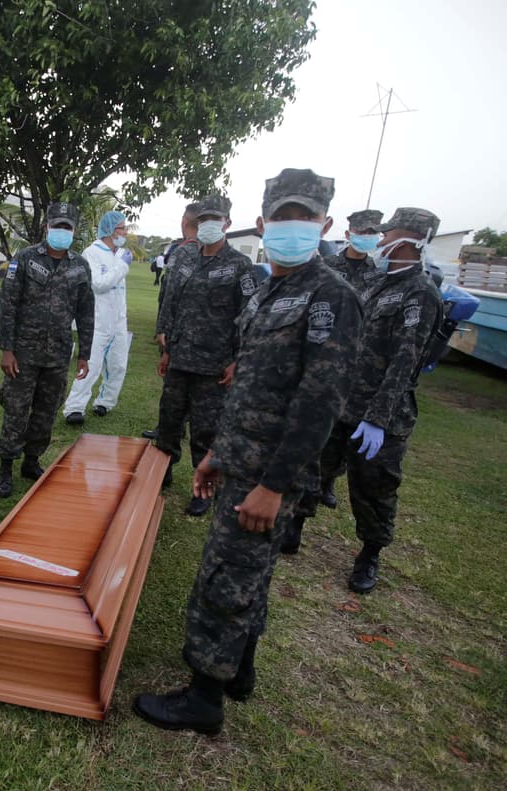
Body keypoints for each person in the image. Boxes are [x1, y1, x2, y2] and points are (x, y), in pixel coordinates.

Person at [133, 168, 362, 735]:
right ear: (262, 223)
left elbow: (318, 405)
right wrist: (218, 455)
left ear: (324, 224)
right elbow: (252, 388)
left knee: (224, 578)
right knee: (249, 575)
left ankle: (203, 698)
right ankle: (239, 672)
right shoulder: (272, 290)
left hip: (269, 474)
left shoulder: (330, 296)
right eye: (281, 216)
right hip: (243, 461)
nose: (291, 226)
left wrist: (274, 484)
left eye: (304, 218)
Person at [287, 208, 445, 594]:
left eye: (390, 234)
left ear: (412, 240)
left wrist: (377, 417)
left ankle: (369, 552)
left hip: (380, 414)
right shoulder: (377, 282)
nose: (382, 240)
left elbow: (405, 361)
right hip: (341, 401)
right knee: (314, 467)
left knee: (374, 487)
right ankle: (293, 528)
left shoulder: (420, 293)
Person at [153, 194, 258, 516]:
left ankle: (203, 489)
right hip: (180, 357)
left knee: (205, 430)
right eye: (203, 220)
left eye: (215, 219)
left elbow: (249, 317)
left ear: (227, 223)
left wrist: (237, 360)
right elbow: (169, 299)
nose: (208, 225)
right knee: (168, 422)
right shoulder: (183, 256)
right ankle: (162, 472)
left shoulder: (240, 266)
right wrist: (164, 342)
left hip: (214, 364)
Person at [0, 201, 95, 498]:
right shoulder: (24, 259)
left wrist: (84, 353)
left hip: (58, 354)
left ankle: (32, 461)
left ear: (74, 231)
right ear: (47, 226)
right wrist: (7, 349)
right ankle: (6, 467)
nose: (61, 231)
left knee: (46, 411)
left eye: (67, 227)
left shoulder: (80, 266)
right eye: (57, 225)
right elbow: (7, 304)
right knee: (16, 409)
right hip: (23, 353)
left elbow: (86, 312)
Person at [311, 209, 382, 509]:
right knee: (320, 424)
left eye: (372, 232)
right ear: (349, 231)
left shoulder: (378, 275)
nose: (366, 236)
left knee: (347, 424)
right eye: (361, 230)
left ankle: (328, 482)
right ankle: (312, 481)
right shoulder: (327, 265)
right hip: (324, 356)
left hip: (358, 363)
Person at [63, 210, 131, 424]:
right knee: (91, 366)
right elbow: (98, 284)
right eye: (122, 228)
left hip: (118, 321)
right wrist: (122, 266)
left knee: (118, 365)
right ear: (110, 230)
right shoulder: (92, 252)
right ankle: (74, 408)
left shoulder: (119, 254)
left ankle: (105, 402)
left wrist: (121, 263)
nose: (125, 232)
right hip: (97, 320)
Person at [142, 203, 200, 441]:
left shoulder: (184, 251)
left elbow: (170, 295)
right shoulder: (209, 251)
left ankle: (170, 428)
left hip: (179, 329)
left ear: (185, 221)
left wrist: (162, 328)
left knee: (175, 385)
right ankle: (179, 425)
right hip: (200, 332)